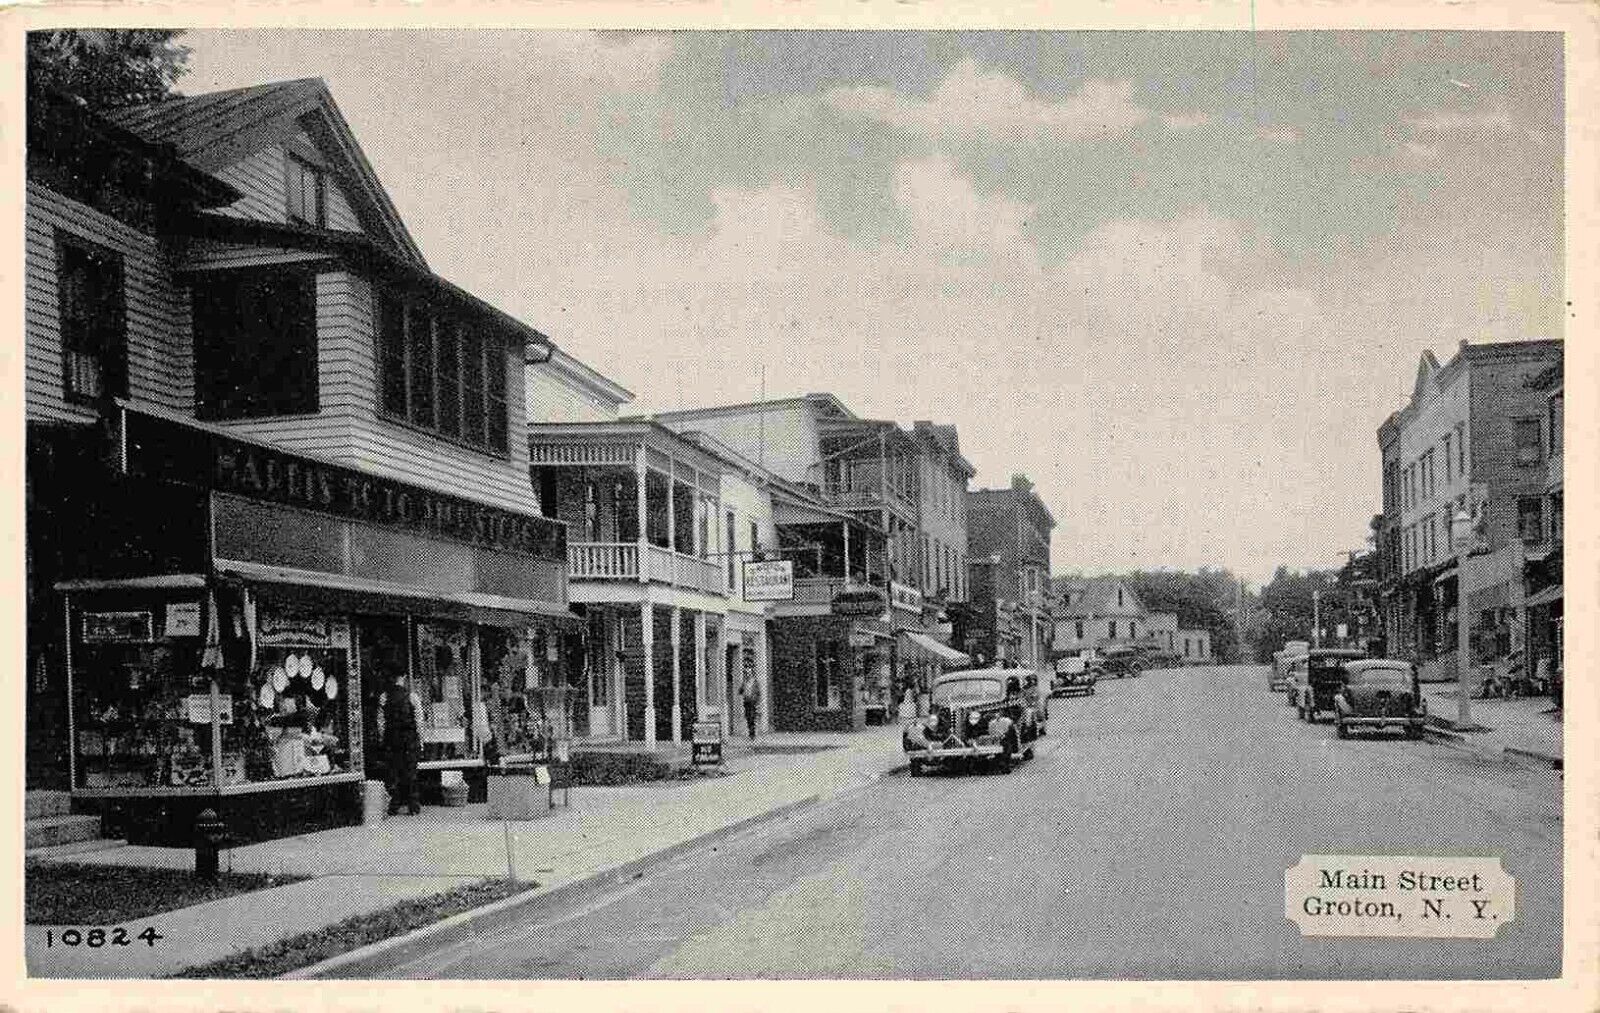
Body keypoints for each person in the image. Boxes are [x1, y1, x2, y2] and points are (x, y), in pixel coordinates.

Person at [377, 672, 423, 815]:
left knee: (394, 772)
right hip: (409, 738)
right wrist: (421, 740)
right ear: (403, 678)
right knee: (410, 771)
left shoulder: (384, 697)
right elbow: (419, 721)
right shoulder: (412, 696)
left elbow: (380, 722)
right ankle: (413, 806)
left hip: (392, 738)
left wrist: (382, 738)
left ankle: (394, 805)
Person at [738, 669, 761, 740]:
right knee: (748, 717)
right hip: (746, 701)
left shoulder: (755, 682)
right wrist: (742, 690)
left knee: (752, 717)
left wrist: (758, 702)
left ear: (752, 674)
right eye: (746, 673)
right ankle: (751, 732)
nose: (747, 675)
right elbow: (740, 691)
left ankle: (752, 733)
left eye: (749, 673)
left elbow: (758, 693)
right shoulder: (744, 682)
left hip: (753, 701)